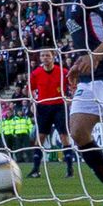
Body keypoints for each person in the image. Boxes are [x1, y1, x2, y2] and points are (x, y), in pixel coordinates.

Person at [50, 0, 103, 206]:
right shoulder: (69, 0)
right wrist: (78, 65)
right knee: (79, 131)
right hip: (89, 78)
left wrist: (95, 56)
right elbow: (89, 41)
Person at [27, 49, 73, 178]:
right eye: (42, 55)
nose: (45, 57)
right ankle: (36, 169)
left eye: (48, 55)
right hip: (43, 107)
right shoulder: (36, 73)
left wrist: (70, 97)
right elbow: (30, 89)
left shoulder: (63, 72)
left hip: (59, 107)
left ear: (53, 57)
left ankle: (70, 169)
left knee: (64, 136)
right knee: (40, 138)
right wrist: (32, 102)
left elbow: (72, 84)